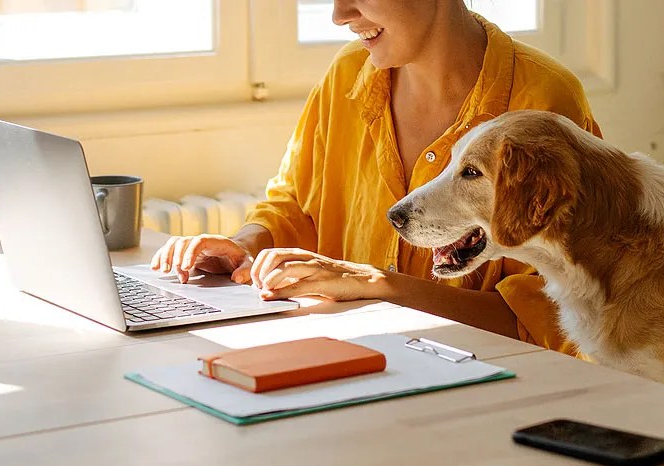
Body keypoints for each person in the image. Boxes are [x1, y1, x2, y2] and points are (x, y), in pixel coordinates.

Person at [151, 0, 602, 353]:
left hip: (490, 389)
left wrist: (379, 287)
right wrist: (246, 245)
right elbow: (295, 205)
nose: (338, 15)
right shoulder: (347, 74)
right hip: (354, 363)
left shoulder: (542, 101)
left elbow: (544, 322)